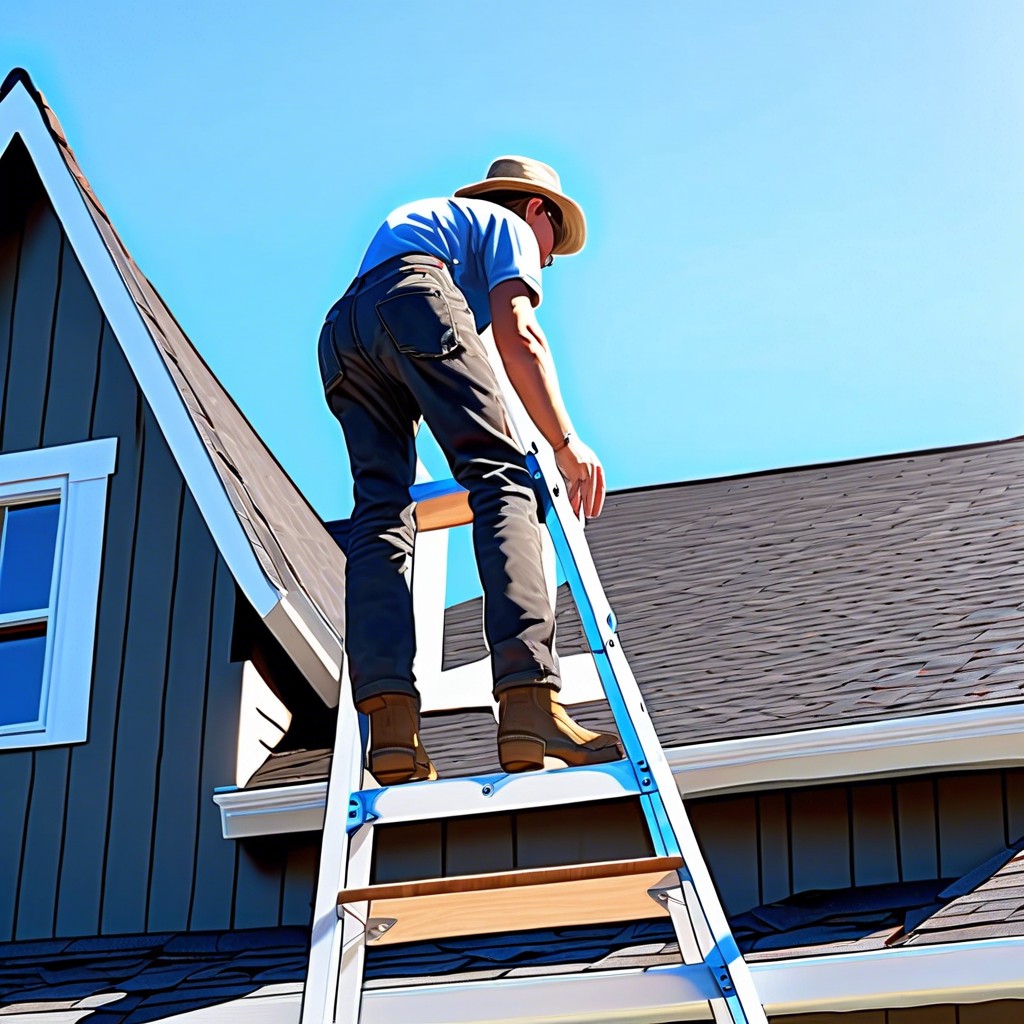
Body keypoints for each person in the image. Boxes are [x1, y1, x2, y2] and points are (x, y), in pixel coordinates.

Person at [318, 156, 622, 784]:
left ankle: (392, 729)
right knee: (504, 480)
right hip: (412, 299)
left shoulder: (444, 235)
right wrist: (565, 444)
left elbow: (463, 362)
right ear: (535, 209)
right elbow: (520, 336)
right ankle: (529, 701)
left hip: (342, 332)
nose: (549, 263)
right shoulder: (504, 225)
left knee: (381, 513)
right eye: (552, 247)